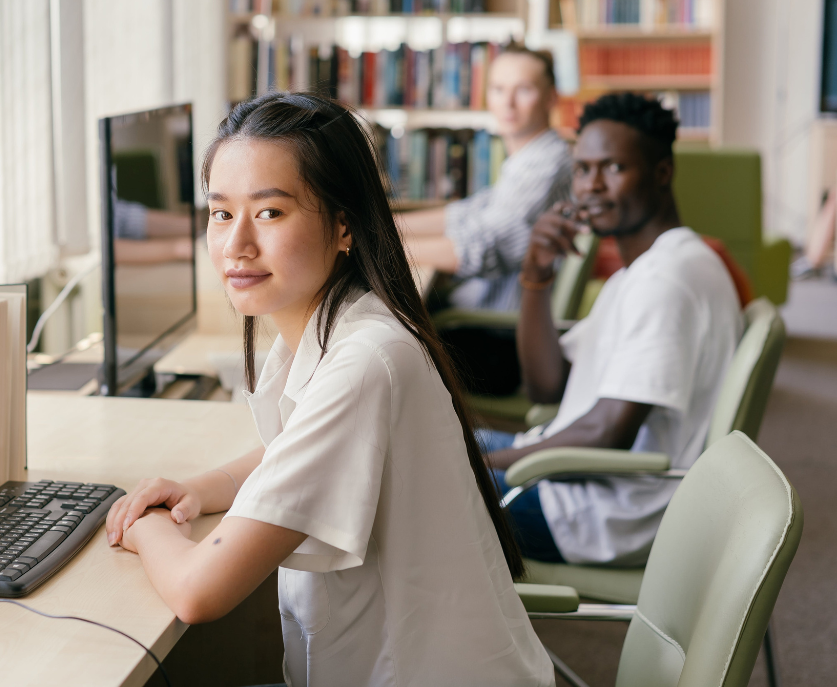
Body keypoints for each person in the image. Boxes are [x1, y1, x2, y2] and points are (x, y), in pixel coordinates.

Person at [104, 92, 553, 686]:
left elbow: (197, 592)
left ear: (344, 226)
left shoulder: (366, 360)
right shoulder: (336, 326)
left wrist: (140, 524)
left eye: (269, 213)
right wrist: (199, 489)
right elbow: (299, 450)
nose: (236, 243)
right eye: (220, 213)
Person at [480, 93, 744, 567]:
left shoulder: (666, 279)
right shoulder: (640, 271)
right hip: (579, 482)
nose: (590, 187)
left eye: (613, 168)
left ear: (662, 173)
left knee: (407, 482)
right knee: (416, 445)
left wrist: (484, 467)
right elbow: (547, 385)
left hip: (604, 511)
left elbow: (608, 432)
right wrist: (536, 277)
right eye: (582, 169)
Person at [398, 44, 572, 314]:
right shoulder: (527, 158)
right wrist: (386, 226)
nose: (507, 102)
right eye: (498, 89)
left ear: (551, 98)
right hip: (481, 309)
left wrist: (378, 248)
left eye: (524, 90)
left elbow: (482, 246)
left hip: (496, 326)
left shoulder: (546, 163)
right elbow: (469, 213)